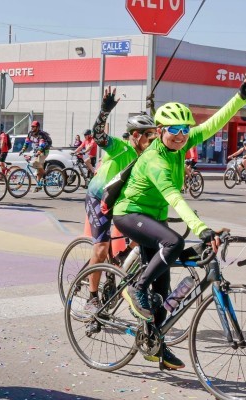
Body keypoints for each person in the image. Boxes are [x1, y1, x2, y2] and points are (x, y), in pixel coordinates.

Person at [114, 68, 246, 370]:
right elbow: (174, 198)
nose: (181, 136)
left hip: (152, 219)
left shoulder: (180, 145)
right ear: (160, 129)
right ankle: (136, 288)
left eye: (184, 130)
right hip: (129, 214)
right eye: (174, 130)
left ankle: (155, 346)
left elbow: (216, 121)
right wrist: (201, 229)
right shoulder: (155, 159)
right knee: (174, 242)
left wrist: (241, 97)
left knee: (164, 294)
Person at [81, 88, 156, 314]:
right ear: (135, 135)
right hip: (98, 197)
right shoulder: (120, 147)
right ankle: (92, 298)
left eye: (154, 134)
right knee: (102, 247)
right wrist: (105, 111)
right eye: (149, 135)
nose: (153, 139)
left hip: (122, 203)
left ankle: (123, 258)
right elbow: (98, 135)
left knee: (149, 230)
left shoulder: (148, 156)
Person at [19, 121, 52, 189]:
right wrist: (22, 150)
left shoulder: (41, 134)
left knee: (35, 163)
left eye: (34, 126)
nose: (32, 128)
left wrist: (39, 151)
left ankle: (46, 174)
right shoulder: (30, 134)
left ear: (38, 127)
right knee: (38, 169)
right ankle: (39, 185)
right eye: (32, 126)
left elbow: (42, 144)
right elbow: (26, 142)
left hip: (44, 151)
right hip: (36, 150)